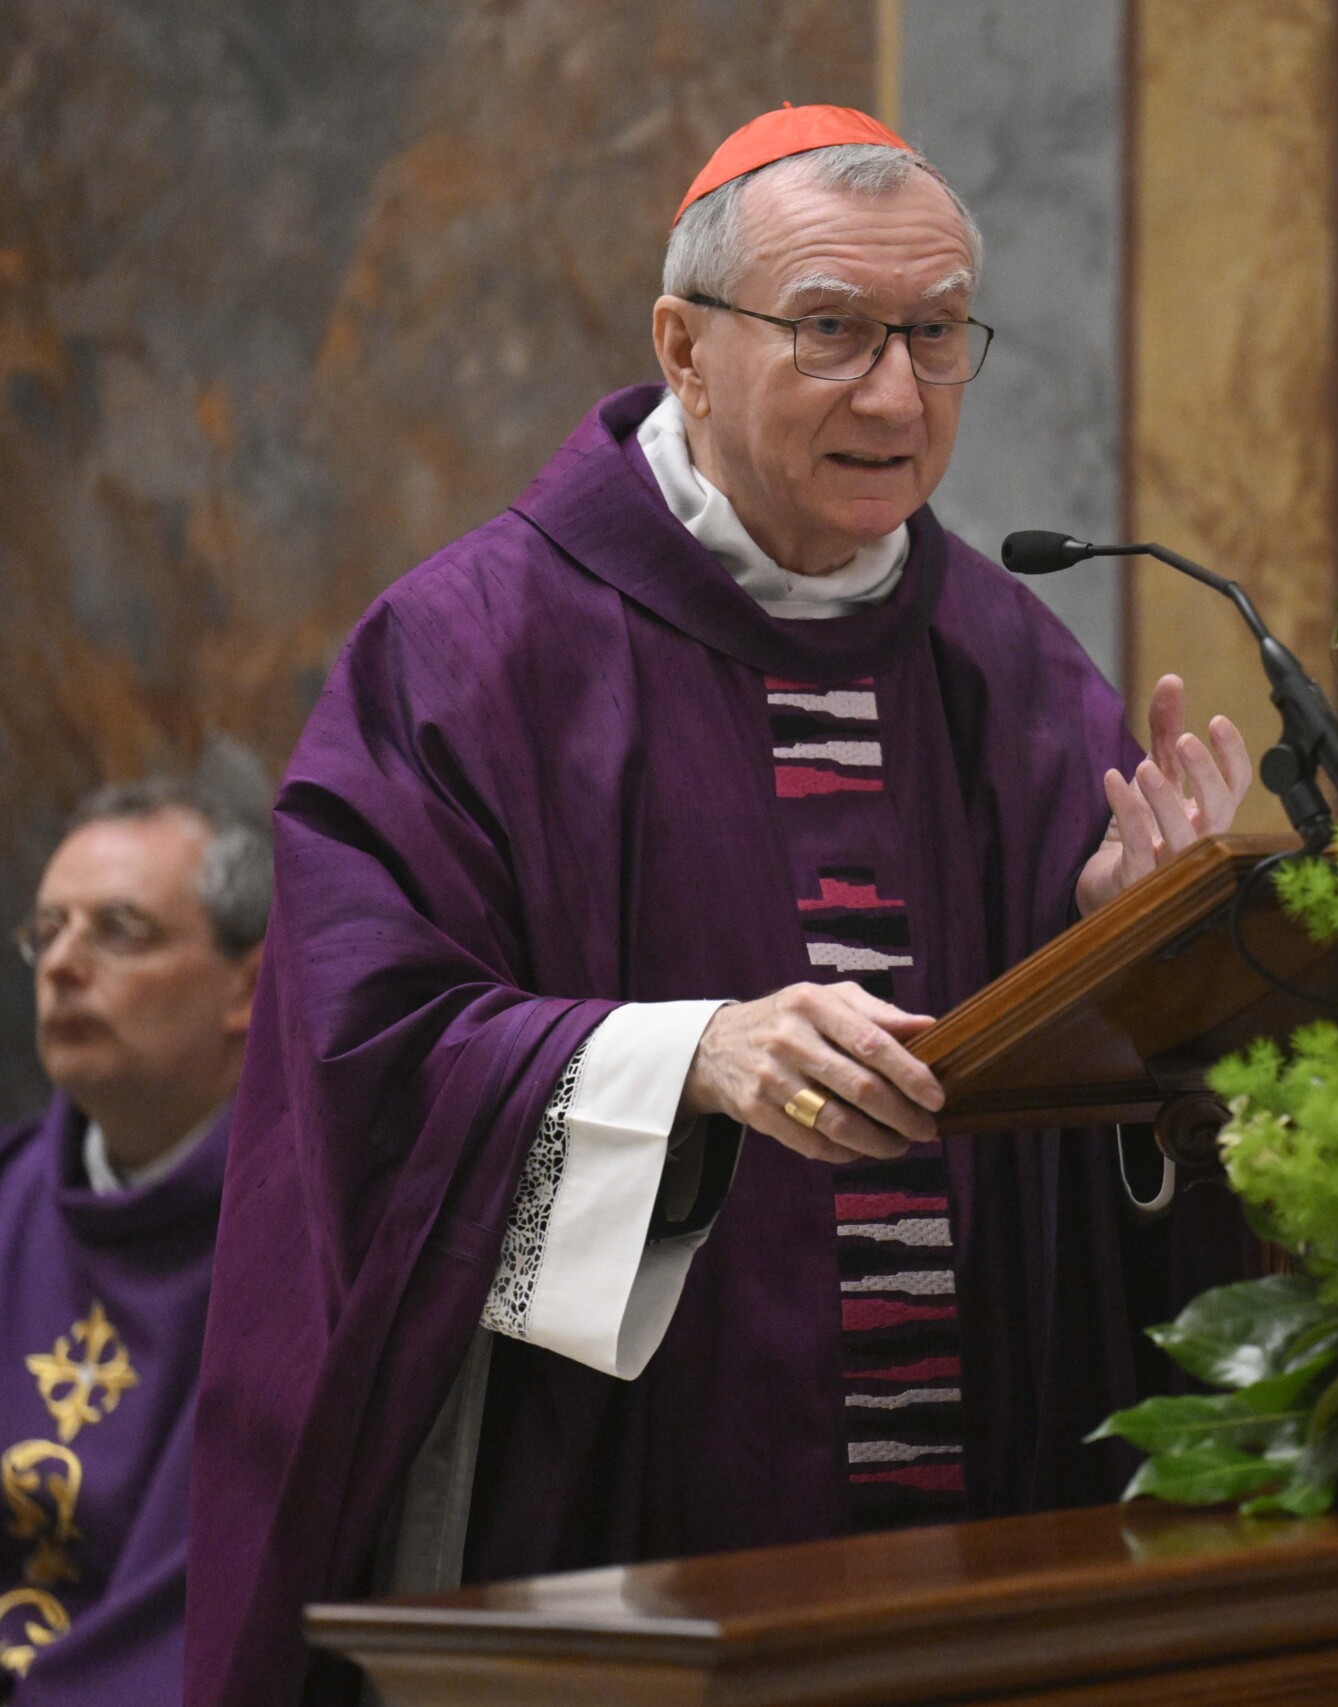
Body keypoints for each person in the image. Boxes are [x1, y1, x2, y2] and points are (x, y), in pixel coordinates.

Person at [187, 106, 1257, 1707]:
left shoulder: (1016, 669)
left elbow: (1096, 1164)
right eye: (832, 331)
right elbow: (362, 1053)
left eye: (939, 333)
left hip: (980, 1552)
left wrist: (1128, 950)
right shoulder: (471, 652)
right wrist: (687, 1059)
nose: (897, 393)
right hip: (626, 1534)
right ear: (685, 348)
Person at [0, 778, 269, 1701]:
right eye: (49, 929)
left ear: (251, 982)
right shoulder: (7, 1197)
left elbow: (212, 1615)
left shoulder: (299, 1247)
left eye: (119, 930)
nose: (63, 964)